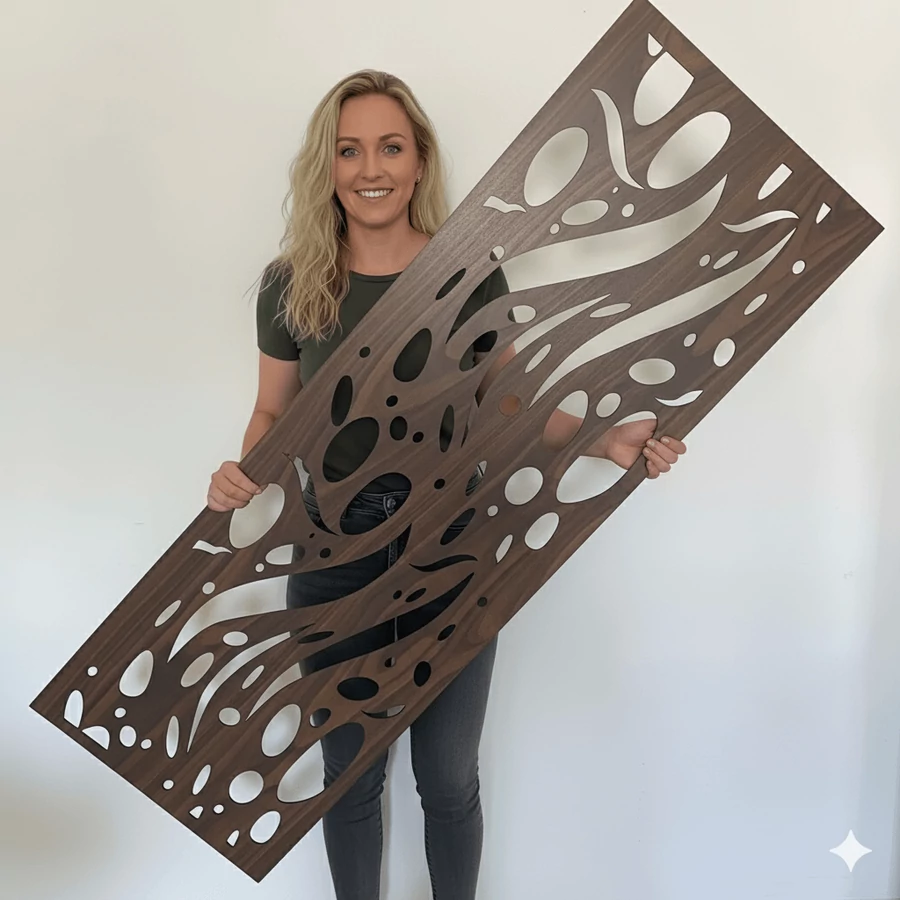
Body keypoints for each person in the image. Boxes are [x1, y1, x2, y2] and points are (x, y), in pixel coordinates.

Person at [206, 70, 686, 900]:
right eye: (349, 150)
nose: (371, 168)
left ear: (419, 160)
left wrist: (606, 439)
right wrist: (242, 474)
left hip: (451, 550)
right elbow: (271, 415)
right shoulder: (292, 285)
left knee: (449, 778)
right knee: (349, 779)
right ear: (327, 166)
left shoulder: (466, 271)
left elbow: (510, 401)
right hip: (331, 555)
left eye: (390, 147)